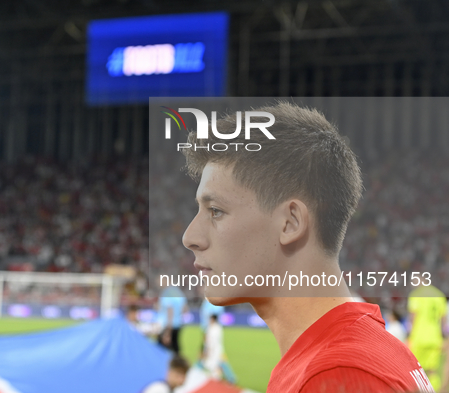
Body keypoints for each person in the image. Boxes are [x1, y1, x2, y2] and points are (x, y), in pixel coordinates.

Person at [181, 102, 434, 392]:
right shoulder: (349, 356)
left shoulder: (337, 375)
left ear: (290, 223)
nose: (190, 236)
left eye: (215, 211)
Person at [408, 284, 447, 391]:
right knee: (433, 371)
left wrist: (409, 335)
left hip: (419, 337)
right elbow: (443, 319)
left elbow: (413, 316)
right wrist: (443, 338)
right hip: (435, 337)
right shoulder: (439, 295)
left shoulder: (416, 294)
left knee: (415, 370)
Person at [157, 286, 188, 354]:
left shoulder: (167, 293)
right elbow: (185, 309)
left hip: (168, 325)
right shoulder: (179, 292)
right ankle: (178, 362)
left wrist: (168, 328)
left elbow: (170, 310)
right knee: (175, 346)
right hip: (177, 323)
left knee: (161, 347)